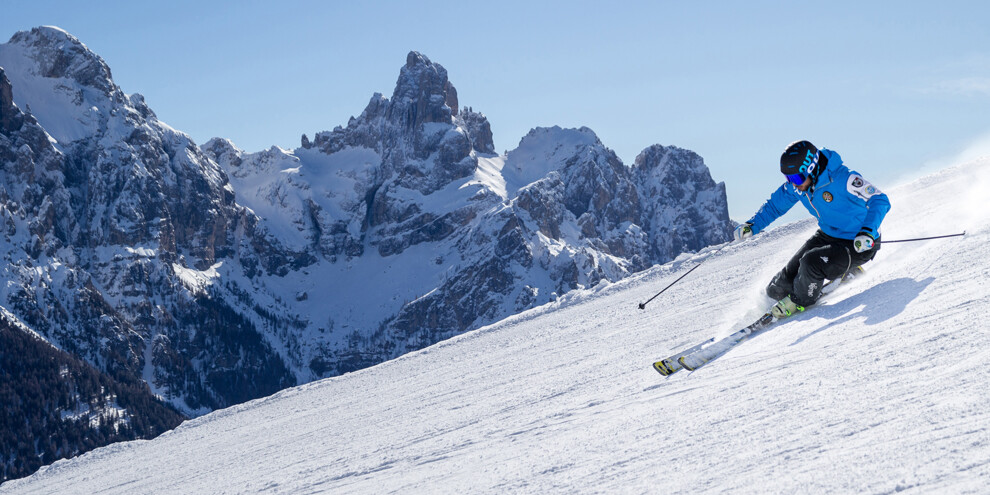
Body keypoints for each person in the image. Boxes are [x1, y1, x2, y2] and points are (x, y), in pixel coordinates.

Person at [734, 140, 891, 319]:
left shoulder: (843, 179)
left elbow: (880, 200)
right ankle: (844, 272)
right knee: (778, 287)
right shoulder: (799, 188)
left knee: (811, 264)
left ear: (812, 168)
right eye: (789, 178)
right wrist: (752, 226)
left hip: (858, 243)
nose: (794, 184)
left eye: (797, 178)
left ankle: (801, 301)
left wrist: (867, 232)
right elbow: (774, 207)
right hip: (828, 236)